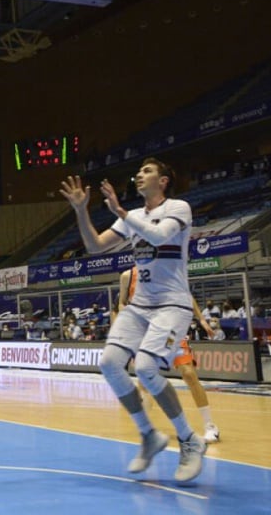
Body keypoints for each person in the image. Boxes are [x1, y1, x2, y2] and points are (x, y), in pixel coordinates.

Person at [60, 159, 207, 483]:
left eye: (147, 171)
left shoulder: (178, 208)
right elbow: (94, 245)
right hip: (140, 306)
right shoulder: (133, 216)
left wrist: (121, 212)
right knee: (110, 364)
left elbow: (158, 237)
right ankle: (149, 435)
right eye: (139, 171)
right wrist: (82, 210)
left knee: (144, 367)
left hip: (172, 305)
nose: (140, 175)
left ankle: (189, 440)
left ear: (164, 181)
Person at [117, 267, 221, 444]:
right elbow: (121, 303)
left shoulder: (167, 269)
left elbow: (186, 295)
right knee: (144, 379)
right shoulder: (128, 276)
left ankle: (210, 426)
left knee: (188, 374)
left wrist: (201, 319)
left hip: (171, 331)